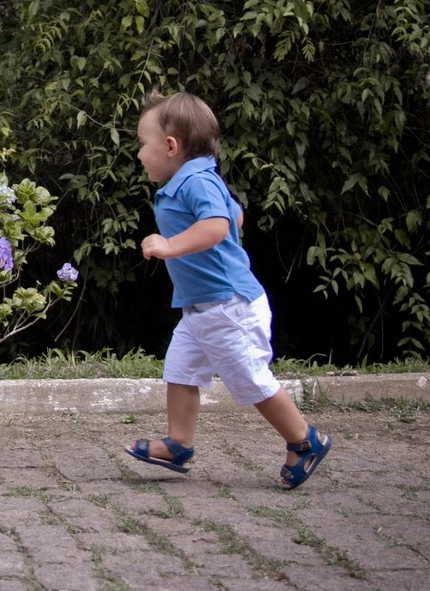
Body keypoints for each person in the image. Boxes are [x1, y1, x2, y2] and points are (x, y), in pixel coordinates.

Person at [127, 90, 332, 489]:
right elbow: (233, 215)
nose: (139, 155)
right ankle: (178, 444)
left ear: (171, 146)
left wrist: (169, 245)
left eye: (142, 145)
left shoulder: (196, 180)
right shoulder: (197, 178)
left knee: (250, 379)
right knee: (181, 370)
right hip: (202, 308)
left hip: (230, 306)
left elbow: (218, 224)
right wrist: (228, 216)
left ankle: (303, 440)